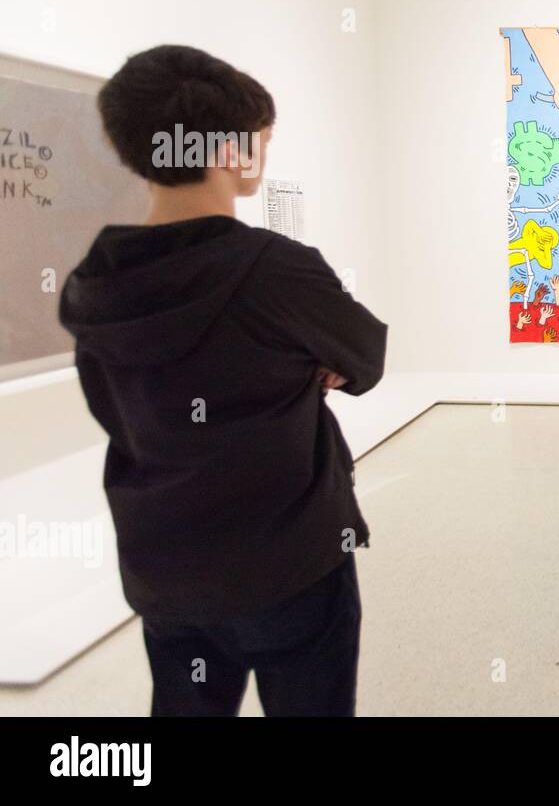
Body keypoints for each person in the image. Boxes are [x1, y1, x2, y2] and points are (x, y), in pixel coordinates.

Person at [59, 45, 387, 716]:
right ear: (226, 148)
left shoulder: (96, 279)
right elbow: (366, 356)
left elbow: (121, 402)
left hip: (164, 569)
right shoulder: (277, 270)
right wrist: (315, 363)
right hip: (288, 563)